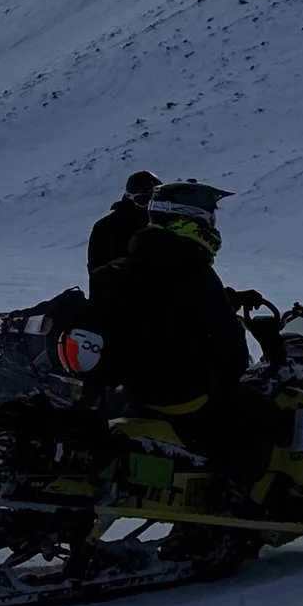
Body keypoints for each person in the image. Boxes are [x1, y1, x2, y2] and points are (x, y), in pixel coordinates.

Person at [88, 179, 249, 429]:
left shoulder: (122, 269)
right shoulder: (194, 273)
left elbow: (163, 309)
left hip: (132, 397)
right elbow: (233, 354)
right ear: (190, 220)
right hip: (184, 399)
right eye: (210, 219)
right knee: (265, 415)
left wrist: (229, 300)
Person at [87, 169, 159, 284]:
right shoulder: (107, 228)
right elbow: (100, 275)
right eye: (143, 200)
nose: (150, 207)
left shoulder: (166, 223)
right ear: (129, 198)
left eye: (156, 200)